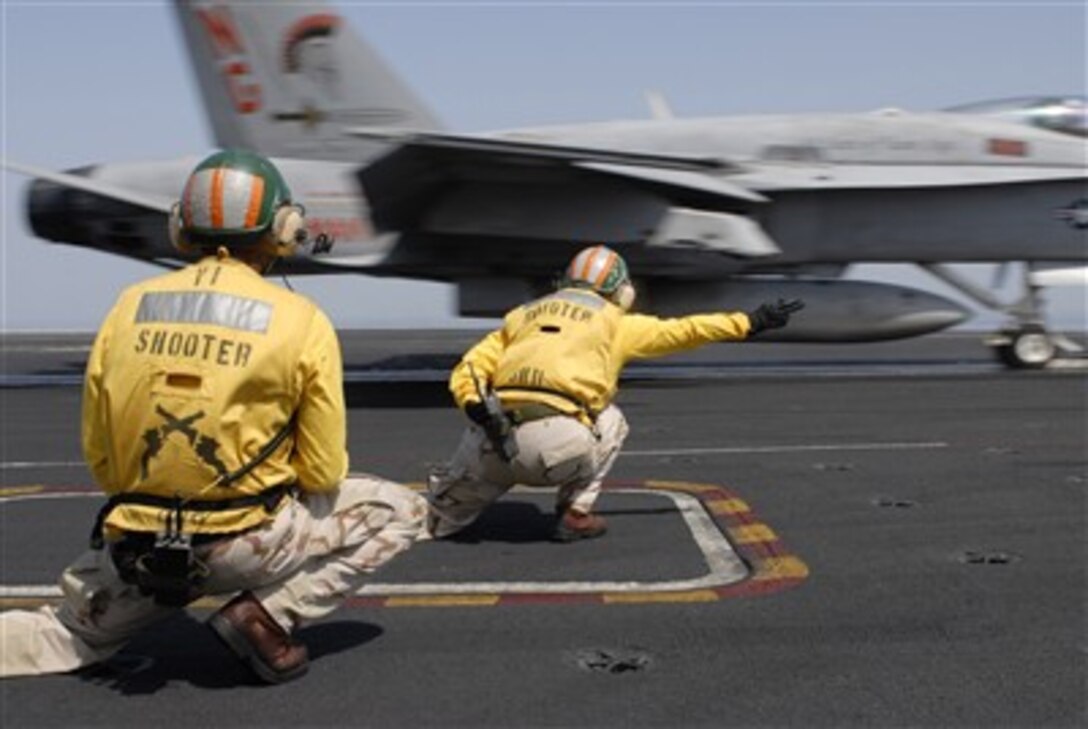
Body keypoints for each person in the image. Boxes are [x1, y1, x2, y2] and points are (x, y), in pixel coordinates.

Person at [0, 150, 426, 684]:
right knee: (402, 509)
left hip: (137, 554)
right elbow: (322, 473)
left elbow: (104, 459)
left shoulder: (129, 305)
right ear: (285, 229)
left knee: (62, 636)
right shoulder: (302, 320)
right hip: (247, 547)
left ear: (181, 226)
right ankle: (265, 617)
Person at [427, 244, 803, 542]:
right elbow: (684, 331)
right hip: (555, 450)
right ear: (617, 288)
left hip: (490, 443)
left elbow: (472, 367)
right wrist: (750, 322)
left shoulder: (522, 315)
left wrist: (473, 404)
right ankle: (574, 515)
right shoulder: (615, 322)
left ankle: (430, 512)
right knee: (612, 421)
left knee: (431, 523)